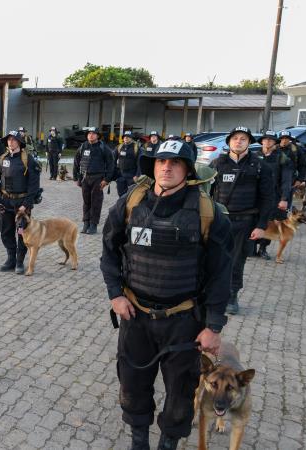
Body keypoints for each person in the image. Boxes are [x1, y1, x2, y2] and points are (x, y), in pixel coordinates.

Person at [101, 140, 232, 450]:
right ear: (153, 166)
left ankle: (168, 443)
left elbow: (220, 273)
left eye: (175, 162)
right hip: (136, 316)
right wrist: (115, 294)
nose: (167, 167)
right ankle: (139, 442)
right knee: (132, 384)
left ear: (187, 170)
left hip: (184, 322)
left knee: (180, 391)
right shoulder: (131, 202)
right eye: (161, 161)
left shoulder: (208, 212)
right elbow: (109, 249)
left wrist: (213, 326)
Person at [209, 126, 274, 314]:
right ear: (229, 142)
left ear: (249, 143)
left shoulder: (261, 166)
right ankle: (211, 294)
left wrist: (261, 226)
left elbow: (267, 198)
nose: (239, 141)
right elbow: (206, 194)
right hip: (219, 221)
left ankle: (232, 295)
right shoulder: (216, 164)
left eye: (243, 139)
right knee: (213, 258)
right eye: (235, 138)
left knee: (236, 261)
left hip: (245, 222)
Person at [0, 131, 41, 274]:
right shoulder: (1, 159)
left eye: (13, 140)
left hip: (22, 204)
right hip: (6, 202)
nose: (10, 142)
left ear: (19, 142)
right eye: (8, 140)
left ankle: (19, 261)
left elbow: (34, 185)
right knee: (6, 232)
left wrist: (27, 204)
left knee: (22, 233)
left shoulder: (28, 160)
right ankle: (11, 259)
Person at [253, 131, 292, 259]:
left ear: (275, 142)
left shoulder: (282, 158)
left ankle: (262, 249)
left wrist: (284, 198)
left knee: (269, 223)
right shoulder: (254, 156)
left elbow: (287, 180)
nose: (268, 142)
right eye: (265, 139)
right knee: (252, 220)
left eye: (271, 140)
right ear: (262, 141)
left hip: (273, 196)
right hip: (254, 196)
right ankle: (251, 248)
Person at [72, 127, 115, 234]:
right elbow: (76, 162)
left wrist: (107, 179)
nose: (91, 135)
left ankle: (93, 224)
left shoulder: (103, 147)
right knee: (86, 201)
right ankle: (86, 223)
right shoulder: (83, 146)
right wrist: (76, 177)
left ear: (97, 136)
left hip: (98, 179)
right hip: (85, 178)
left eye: (93, 133)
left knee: (96, 202)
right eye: (89, 133)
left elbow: (111, 164)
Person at [278, 130, 306, 207]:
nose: (284, 140)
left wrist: (300, 179)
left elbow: (303, 165)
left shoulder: (296, 149)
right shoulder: (275, 148)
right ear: (279, 139)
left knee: (287, 202)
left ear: (289, 139)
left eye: (287, 138)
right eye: (282, 138)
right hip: (275, 180)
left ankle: (286, 216)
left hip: (290, 181)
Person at [114, 130, 141, 197]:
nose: (126, 138)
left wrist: (137, 175)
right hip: (120, 175)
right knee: (120, 194)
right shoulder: (119, 147)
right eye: (125, 137)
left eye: (128, 137)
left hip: (132, 175)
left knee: (131, 195)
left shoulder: (136, 148)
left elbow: (139, 163)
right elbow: (112, 160)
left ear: (131, 138)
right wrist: (114, 173)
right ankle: (122, 206)